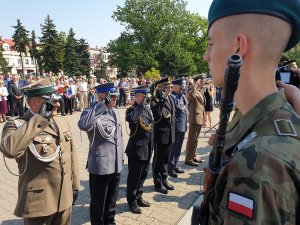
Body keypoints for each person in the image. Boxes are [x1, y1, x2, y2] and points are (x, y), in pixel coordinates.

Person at [203, 0, 300, 224]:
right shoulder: (281, 119)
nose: (206, 56)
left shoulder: (254, 168)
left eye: (211, 43)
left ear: (238, 47)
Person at [0, 77, 79, 225]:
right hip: (40, 203)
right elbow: (9, 149)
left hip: (64, 196)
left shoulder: (62, 121)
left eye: (56, 99)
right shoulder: (17, 124)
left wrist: (74, 186)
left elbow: (71, 156)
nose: (56, 104)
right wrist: (39, 119)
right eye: (50, 100)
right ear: (32, 103)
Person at [78, 82, 124, 225]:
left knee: (111, 199)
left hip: (116, 164)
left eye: (116, 97)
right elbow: (83, 124)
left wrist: (121, 158)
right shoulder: (90, 112)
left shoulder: (115, 112)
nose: (115, 100)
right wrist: (101, 105)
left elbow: (119, 138)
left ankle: (110, 221)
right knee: (98, 203)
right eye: (112, 97)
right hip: (101, 166)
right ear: (102, 96)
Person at [125, 86, 153, 214]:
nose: (147, 98)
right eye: (144, 96)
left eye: (147, 95)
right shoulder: (132, 109)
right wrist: (141, 105)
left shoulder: (147, 108)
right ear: (137, 96)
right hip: (136, 149)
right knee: (134, 177)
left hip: (147, 147)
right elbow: (133, 118)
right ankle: (132, 201)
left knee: (143, 175)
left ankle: (139, 196)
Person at [150, 78, 176, 194]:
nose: (170, 89)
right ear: (161, 88)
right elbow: (158, 115)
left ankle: (164, 178)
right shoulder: (155, 100)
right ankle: (157, 182)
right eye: (168, 87)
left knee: (166, 158)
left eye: (170, 87)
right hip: (161, 135)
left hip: (170, 134)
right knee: (158, 160)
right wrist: (161, 99)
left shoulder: (170, 98)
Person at [167, 78, 188, 178]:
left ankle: (175, 165)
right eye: (181, 85)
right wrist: (179, 96)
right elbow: (177, 107)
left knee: (178, 148)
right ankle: (170, 168)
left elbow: (185, 109)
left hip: (183, 125)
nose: (182, 87)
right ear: (175, 86)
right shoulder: (172, 97)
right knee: (173, 148)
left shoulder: (182, 95)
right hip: (176, 126)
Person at [185, 75, 205, 167]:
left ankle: (193, 156)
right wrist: (195, 84)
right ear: (196, 82)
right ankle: (188, 159)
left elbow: (202, 105)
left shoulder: (200, 91)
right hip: (194, 118)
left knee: (196, 139)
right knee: (191, 139)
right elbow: (192, 95)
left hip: (200, 118)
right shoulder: (191, 91)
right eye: (201, 81)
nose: (203, 82)